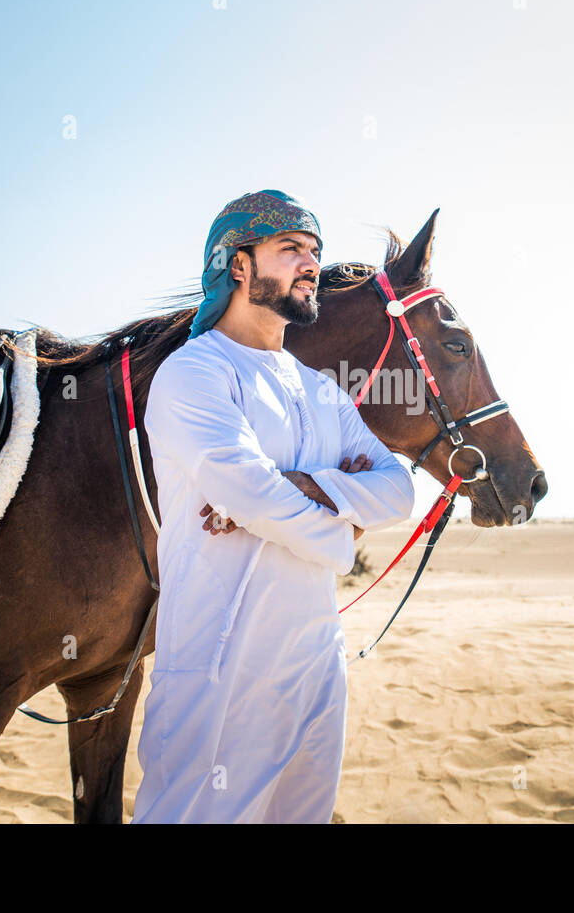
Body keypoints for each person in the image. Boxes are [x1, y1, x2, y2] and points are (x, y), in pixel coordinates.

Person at [131, 190, 416, 823]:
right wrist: (343, 534)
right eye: (290, 249)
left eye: (314, 251)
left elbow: (399, 488)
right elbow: (251, 494)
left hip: (316, 661)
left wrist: (305, 485)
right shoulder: (193, 374)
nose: (310, 264)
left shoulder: (321, 390)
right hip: (216, 665)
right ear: (237, 265)